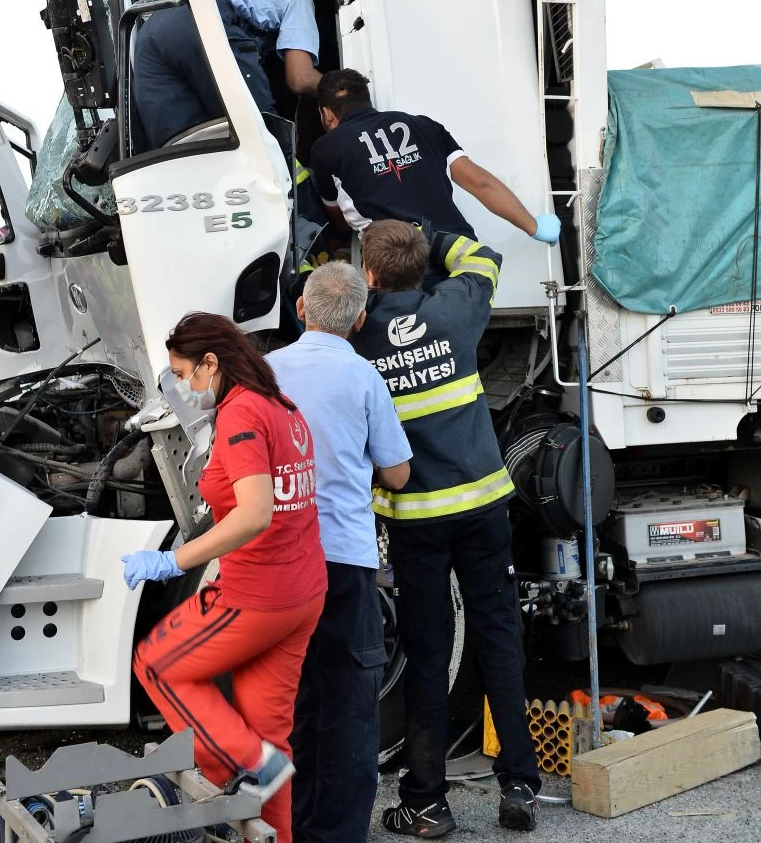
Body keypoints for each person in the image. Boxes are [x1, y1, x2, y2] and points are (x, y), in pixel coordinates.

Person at [354, 221, 541, 835]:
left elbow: (314, 301)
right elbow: (483, 257)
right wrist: (428, 235)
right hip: (485, 508)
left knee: (430, 654)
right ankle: (518, 787)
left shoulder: (360, 331)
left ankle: (427, 802)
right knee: (499, 641)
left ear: (371, 274)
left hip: (420, 522)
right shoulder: (456, 308)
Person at [125, 313, 327, 843]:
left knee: (157, 665)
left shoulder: (241, 416)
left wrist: (176, 560)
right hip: (301, 592)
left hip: (256, 594)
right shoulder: (281, 407)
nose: (186, 387)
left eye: (186, 374)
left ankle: (247, 765)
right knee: (270, 735)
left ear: (211, 363)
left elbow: (256, 513)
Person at [267, 262, 412, 843]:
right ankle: (340, 833)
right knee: (351, 704)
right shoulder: (363, 378)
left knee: (292, 702)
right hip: (345, 562)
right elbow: (398, 474)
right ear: (359, 319)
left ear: (300, 309)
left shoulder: (266, 373)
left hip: (280, 564)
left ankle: (290, 826)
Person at [310, 69, 560, 246]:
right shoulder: (424, 125)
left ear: (326, 113)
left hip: (397, 264)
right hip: (457, 251)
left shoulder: (325, 148)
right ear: (367, 100)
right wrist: (534, 227)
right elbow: (480, 183)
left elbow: (338, 219)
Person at [132, 0, 320, 149]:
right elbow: (301, 78)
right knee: (259, 127)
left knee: (177, 146)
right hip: (199, 12)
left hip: (153, 28)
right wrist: (343, 87)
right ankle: (297, 184)